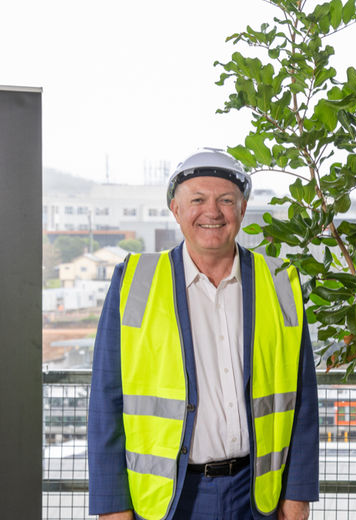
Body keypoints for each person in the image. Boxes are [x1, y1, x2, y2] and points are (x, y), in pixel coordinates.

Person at [87, 148, 318, 520]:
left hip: (257, 495)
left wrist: (298, 494)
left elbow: (302, 399)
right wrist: (113, 505)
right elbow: (106, 400)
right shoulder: (134, 281)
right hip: (171, 499)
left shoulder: (279, 283)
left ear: (242, 210)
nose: (212, 212)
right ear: (176, 211)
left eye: (226, 200)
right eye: (197, 200)